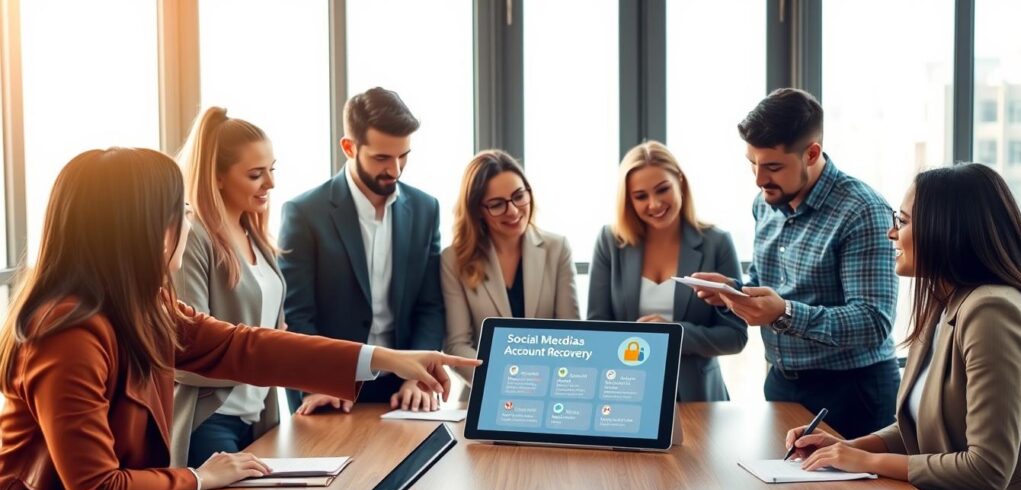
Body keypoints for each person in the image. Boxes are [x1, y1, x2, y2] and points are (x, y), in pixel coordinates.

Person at [0, 148, 478, 490]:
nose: (188, 223)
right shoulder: (68, 334)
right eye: (180, 212)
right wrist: (201, 476)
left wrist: (386, 358)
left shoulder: (141, 306)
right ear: (144, 229)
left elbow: (245, 347)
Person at [785, 163, 1021, 490]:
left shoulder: (990, 310)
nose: (891, 232)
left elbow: (986, 468)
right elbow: (922, 425)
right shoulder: (945, 304)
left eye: (903, 220)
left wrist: (868, 462)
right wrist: (845, 448)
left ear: (945, 229)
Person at [693, 88, 899, 437]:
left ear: (812, 153)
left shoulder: (862, 211)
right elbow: (767, 287)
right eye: (752, 164)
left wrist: (783, 313)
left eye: (772, 167)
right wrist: (734, 293)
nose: (759, 180)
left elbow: (873, 321)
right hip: (780, 384)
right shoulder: (765, 204)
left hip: (853, 392)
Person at [279, 87, 445, 414]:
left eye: (404, 155)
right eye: (382, 158)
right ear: (348, 147)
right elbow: (298, 316)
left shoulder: (426, 209)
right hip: (329, 387)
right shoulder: (303, 213)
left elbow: (431, 306)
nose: (395, 170)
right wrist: (321, 381)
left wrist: (420, 377)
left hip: (404, 387)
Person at [588, 141, 747, 401]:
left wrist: (673, 334)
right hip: (625, 392)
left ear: (680, 182)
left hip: (699, 398)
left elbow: (735, 336)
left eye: (663, 190)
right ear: (628, 200)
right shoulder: (610, 241)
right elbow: (597, 328)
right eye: (640, 196)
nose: (654, 204)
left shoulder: (717, 242)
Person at [171, 107, 284, 468]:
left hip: (258, 417)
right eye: (255, 174)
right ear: (217, 177)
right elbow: (187, 345)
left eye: (272, 170)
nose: (270, 184)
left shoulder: (257, 236)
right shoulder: (196, 238)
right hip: (210, 421)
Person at [441, 150, 580, 385]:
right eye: (497, 205)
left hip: (552, 388)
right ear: (477, 211)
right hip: (486, 390)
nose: (513, 211)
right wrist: (503, 382)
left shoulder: (557, 248)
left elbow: (573, 335)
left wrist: (541, 381)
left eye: (519, 196)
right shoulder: (454, 259)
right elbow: (457, 345)